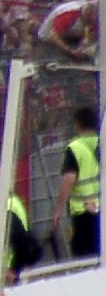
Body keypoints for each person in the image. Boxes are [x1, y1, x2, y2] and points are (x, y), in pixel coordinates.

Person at [53, 106, 100, 259]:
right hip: (101, 210)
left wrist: (58, 209)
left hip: (83, 212)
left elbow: (69, 179)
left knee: (85, 260)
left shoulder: (75, 148)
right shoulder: (102, 143)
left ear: (77, 124)